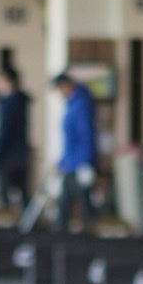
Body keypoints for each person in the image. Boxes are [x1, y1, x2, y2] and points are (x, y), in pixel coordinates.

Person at [52, 69, 101, 230]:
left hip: (79, 163)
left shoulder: (81, 105)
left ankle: (90, 234)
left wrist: (85, 163)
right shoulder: (72, 104)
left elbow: (85, 136)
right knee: (66, 203)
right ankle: (62, 234)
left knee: (82, 203)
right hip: (71, 163)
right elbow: (69, 141)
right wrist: (62, 162)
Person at [0, 66, 33, 216]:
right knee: (23, 193)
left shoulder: (9, 104)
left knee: (5, 194)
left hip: (9, 155)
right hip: (20, 154)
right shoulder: (20, 101)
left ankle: (8, 221)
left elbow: (5, 131)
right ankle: (25, 222)